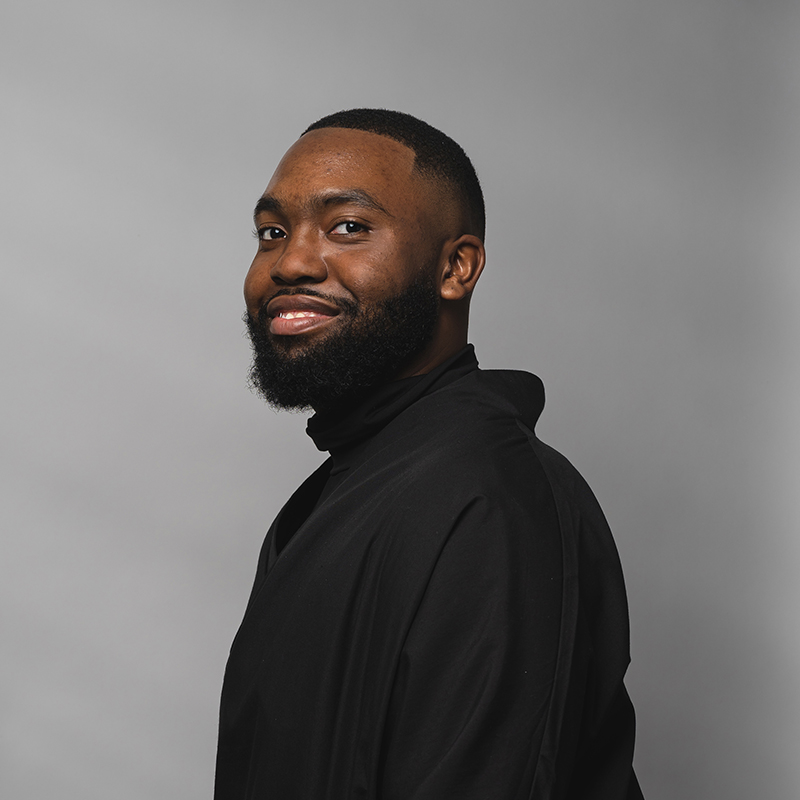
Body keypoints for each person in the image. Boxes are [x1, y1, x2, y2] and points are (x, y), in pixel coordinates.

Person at [214, 108, 644, 799]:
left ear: (455, 267)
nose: (289, 262)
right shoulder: (347, 492)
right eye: (271, 232)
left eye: (348, 226)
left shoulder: (488, 503)